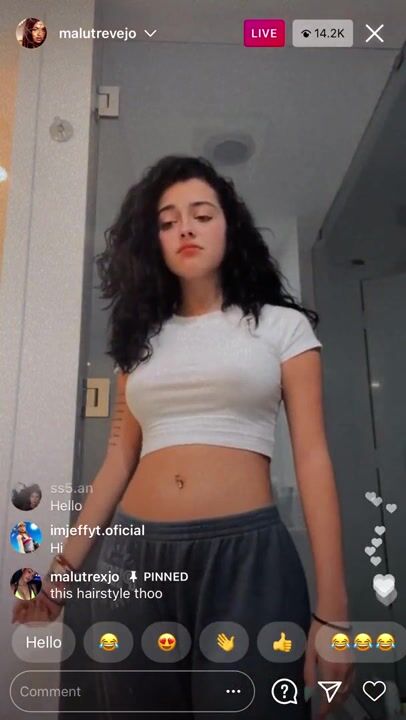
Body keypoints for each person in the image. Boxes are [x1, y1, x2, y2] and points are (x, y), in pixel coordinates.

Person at [13, 156, 353, 718]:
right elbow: (117, 461)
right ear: (154, 241)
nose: (185, 229)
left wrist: (335, 613)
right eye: (168, 221)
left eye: (201, 215)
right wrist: (62, 571)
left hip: (248, 560)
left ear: (229, 227)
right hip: (132, 561)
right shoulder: (139, 341)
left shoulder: (282, 327)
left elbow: (314, 458)